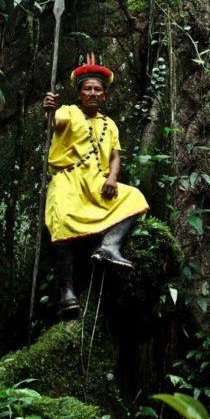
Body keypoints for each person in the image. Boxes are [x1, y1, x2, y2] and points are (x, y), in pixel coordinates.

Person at [42, 59, 149, 316]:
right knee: (62, 219)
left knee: (134, 197)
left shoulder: (109, 124)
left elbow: (115, 156)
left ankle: (110, 246)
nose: (93, 93)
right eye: (88, 89)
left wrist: (112, 178)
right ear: (79, 94)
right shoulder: (68, 112)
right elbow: (53, 122)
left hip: (97, 183)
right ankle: (67, 292)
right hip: (68, 180)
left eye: (97, 89)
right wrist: (48, 110)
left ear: (104, 95)